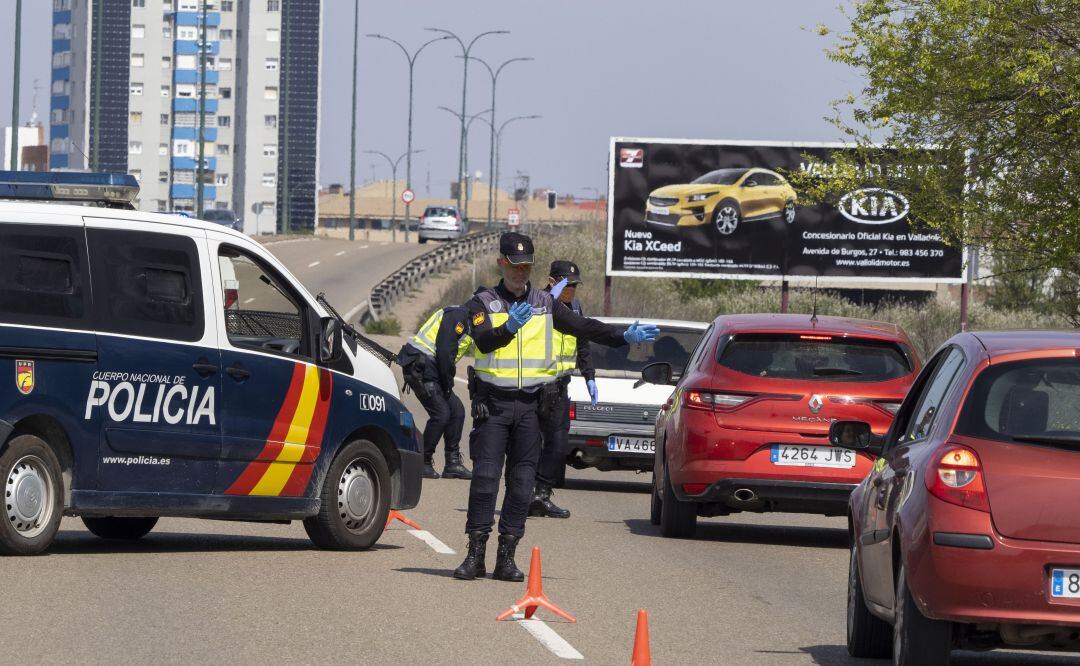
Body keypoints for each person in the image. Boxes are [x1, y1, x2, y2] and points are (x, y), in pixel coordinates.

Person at [453, 232, 660, 581]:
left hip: (531, 408)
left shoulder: (545, 303)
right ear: (501, 263)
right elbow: (483, 341)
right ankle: (475, 554)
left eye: (527, 266)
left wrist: (623, 336)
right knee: (486, 480)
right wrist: (508, 329)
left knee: (521, 484)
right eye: (515, 265)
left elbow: (583, 326)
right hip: (494, 407)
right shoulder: (483, 302)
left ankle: (507, 557)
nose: (521, 272)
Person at [528, 260, 595, 519]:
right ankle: (522, 494)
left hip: (560, 386)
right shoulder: (536, 303)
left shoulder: (575, 308)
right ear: (553, 281)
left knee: (558, 444)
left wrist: (589, 375)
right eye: (567, 285)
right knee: (529, 444)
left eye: (574, 286)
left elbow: (583, 342)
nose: (571, 291)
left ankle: (541, 495)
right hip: (534, 385)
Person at [397, 305, 474, 480]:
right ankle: (422, 461)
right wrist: (448, 381)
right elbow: (445, 351)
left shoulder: (469, 322)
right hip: (420, 366)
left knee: (457, 411)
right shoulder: (458, 316)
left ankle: (452, 463)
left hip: (433, 369)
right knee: (441, 414)